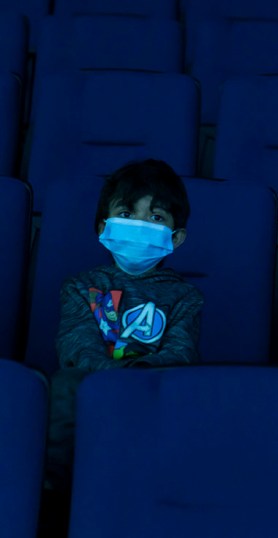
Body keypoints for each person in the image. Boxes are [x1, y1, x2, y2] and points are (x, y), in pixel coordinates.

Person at [45, 159, 202, 529]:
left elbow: (180, 353)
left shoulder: (186, 296)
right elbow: (76, 349)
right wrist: (114, 383)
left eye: (156, 216)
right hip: (90, 390)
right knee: (64, 388)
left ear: (176, 237)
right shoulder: (82, 286)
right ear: (104, 227)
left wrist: (134, 382)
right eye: (127, 212)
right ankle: (54, 506)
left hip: (157, 393)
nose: (140, 224)